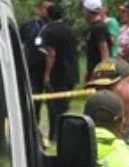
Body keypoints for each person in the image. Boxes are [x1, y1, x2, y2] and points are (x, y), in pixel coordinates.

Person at [39, 5, 79, 142]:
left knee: (53, 108)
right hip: (71, 74)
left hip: (58, 74)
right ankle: (64, 135)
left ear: (49, 16)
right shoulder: (69, 29)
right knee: (64, 107)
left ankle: (55, 136)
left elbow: (51, 53)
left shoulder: (49, 30)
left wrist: (47, 74)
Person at [21, 1, 55, 92]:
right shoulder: (28, 27)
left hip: (52, 67)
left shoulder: (55, 27)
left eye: (50, 9)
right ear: (38, 10)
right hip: (33, 67)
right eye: (46, 9)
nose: (48, 11)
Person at [82, 0, 114, 69]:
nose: (83, 12)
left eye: (84, 10)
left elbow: (104, 51)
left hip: (99, 73)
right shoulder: (94, 27)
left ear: (88, 11)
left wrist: (104, 71)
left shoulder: (98, 28)